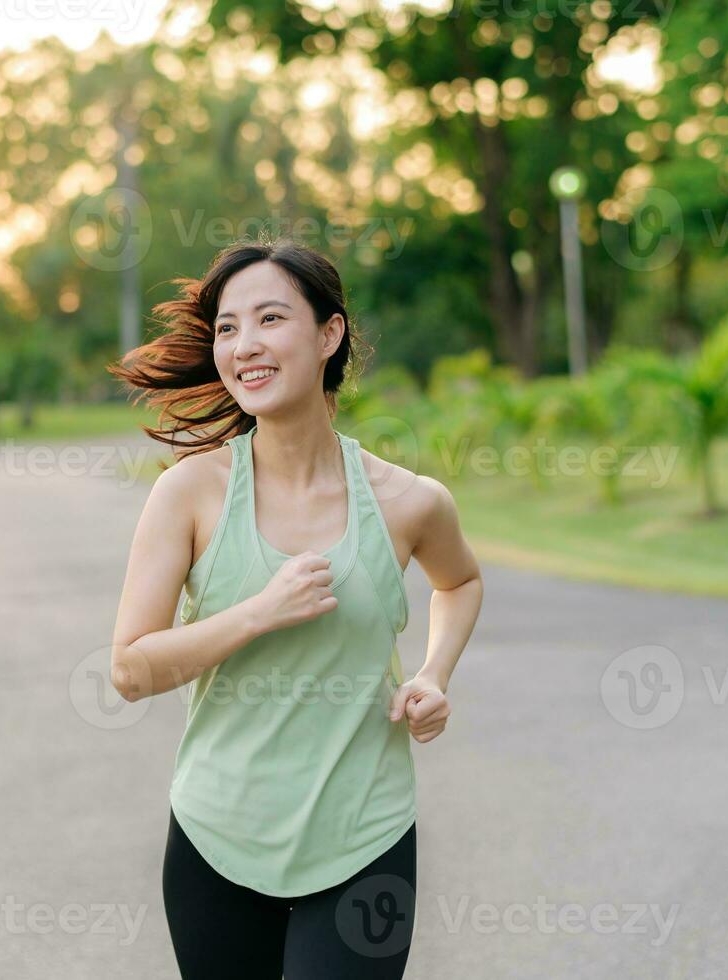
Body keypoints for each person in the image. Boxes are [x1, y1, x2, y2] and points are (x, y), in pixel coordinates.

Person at [106, 239, 484, 978]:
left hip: (363, 839)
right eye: (225, 328)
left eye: (269, 318)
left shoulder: (409, 502)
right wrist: (258, 610)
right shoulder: (188, 495)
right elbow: (129, 670)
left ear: (328, 334)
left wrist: (435, 673)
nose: (243, 345)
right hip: (217, 838)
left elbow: (458, 582)